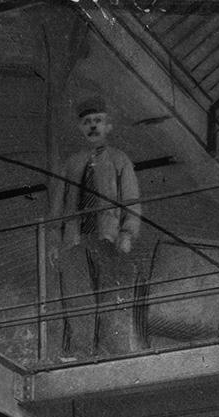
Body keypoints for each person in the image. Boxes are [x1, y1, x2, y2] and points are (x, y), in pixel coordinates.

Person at [55, 94, 141, 358]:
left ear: (108, 126)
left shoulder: (119, 160)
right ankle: (81, 354)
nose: (93, 126)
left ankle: (109, 353)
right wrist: (53, 241)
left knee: (109, 297)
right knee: (78, 298)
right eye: (87, 122)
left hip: (108, 239)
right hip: (76, 241)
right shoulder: (72, 163)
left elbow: (131, 200)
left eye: (98, 121)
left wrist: (126, 234)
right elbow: (58, 206)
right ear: (81, 128)